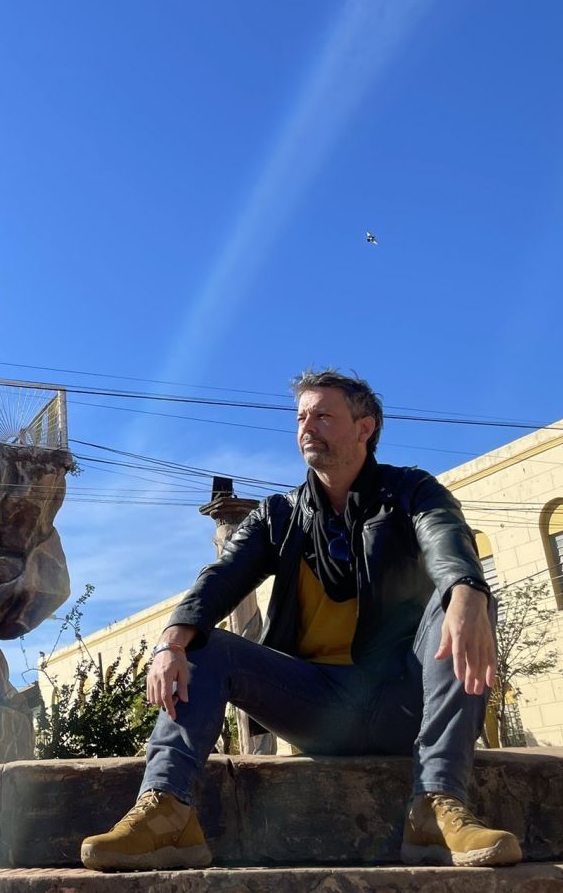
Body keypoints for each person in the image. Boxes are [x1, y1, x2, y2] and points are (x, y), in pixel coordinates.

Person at [81, 369, 522, 872]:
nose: (307, 427)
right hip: (318, 707)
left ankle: (436, 806)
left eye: (323, 416)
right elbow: (221, 578)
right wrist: (171, 642)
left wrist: (466, 590)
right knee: (199, 644)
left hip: (405, 699)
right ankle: (167, 813)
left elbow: (445, 537)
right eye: (301, 418)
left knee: (461, 599)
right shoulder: (279, 515)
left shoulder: (410, 491)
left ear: (364, 428)